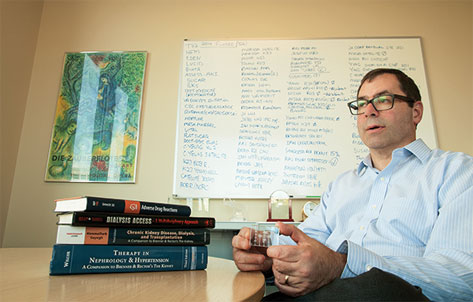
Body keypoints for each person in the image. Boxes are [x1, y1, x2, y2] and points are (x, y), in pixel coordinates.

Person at [232, 68, 473, 301]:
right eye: (360, 104)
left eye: (383, 100)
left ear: (416, 112)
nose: (369, 111)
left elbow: (462, 279)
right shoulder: (341, 185)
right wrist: (266, 254)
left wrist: (342, 265)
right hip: (322, 294)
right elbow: (306, 241)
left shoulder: (456, 172)